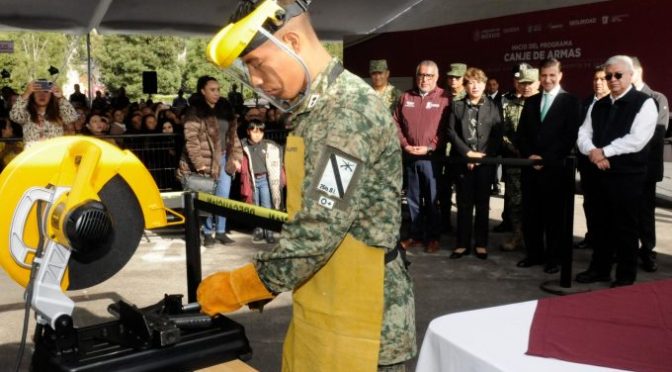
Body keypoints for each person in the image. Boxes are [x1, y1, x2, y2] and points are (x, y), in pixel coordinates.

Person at [197, 1, 416, 370]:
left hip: (365, 315)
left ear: (293, 43)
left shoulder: (348, 113)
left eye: (256, 64)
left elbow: (319, 226)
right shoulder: (316, 109)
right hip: (327, 294)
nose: (254, 81)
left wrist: (245, 284)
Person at [575, 55, 657, 287]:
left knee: (625, 227)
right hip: (597, 175)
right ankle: (599, 269)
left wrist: (605, 152)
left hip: (627, 178)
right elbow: (583, 133)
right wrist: (592, 151)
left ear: (631, 76)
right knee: (599, 225)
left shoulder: (645, 103)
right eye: (608, 75)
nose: (612, 79)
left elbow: (637, 140)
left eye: (618, 75)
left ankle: (625, 275)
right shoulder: (598, 104)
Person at [515, 58, 581, 274]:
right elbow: (521, 134)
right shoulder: (531, 101)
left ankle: (554, 258)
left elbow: (569, 136)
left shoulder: (571, 102)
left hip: (555, 170)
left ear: (560, 76)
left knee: (555, 217)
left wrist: (546, 159)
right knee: (531, 215)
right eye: (544, 75)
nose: (548, 79)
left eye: (552, 75)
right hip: (531, 169)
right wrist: (529, 156)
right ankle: (534, 254)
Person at [446, 67, 503, 260]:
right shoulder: (457, 106)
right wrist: (468, 154)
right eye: (470, 82)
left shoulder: (493, 106)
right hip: (463, 162)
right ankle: (462, 244)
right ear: (465, 85)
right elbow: (451, 133)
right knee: (463, 204)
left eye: (478, 82)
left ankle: (481, 243)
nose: (475, 86)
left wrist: (482, 156)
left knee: (483, 204)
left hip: (484, 164)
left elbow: (496, 135)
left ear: (484, 84)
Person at [178, 75, 241, 246]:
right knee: (207, 198)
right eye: (212, 90)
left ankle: (220, 231)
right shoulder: (195, 111)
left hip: (224, 160)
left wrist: (236, 157)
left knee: (222, 198)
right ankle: (207, 233)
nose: (216, 93)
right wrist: (199, 163)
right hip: (206, 162)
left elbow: (233, 136)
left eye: (218, 89)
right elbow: (191, 140)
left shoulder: (225, 108)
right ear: (202, 91)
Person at [395, 60, 450, 253]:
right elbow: (395, 123)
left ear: (436, 77)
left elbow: (446, 129)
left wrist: (430, 147)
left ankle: (433, 238)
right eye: (421, 75)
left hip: (431, 159)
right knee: (412, 199)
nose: (424, 79)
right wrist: (405, 145)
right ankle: (415, 235)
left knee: (432, 199)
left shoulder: (444, 98)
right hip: (410, 156)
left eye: (429, 75)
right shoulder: (405, 97)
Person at [631, 57, 669, 273]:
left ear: (637, 71)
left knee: (645, 213)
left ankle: (647, 252)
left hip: (645, 168)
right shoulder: (621, 98)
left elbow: (657, 134)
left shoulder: (656, 98)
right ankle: (626, 250)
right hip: (625, 169)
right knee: (626, 212)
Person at [499, 67, 540, 252]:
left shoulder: (544, 104)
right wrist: (513, 147)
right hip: (515, 161)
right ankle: (518, 236)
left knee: (537, 202)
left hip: (539, 163)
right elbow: (503, 132)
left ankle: (537, 240)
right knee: (515, 202)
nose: (526, 87)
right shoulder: (511, 105)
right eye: (523, 83)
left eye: (530, 83)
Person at [574, 65, 609, 251]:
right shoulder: (586, 103)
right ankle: (591, 236)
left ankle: (607, 244)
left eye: (603, 79)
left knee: (608, 208)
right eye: (596, 79)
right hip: (587, 165)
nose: (598, 83)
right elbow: (579, 132)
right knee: (590, 204)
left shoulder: (616, 104)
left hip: (607, 165)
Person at [239, 120, 284, 244]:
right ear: (248, 132)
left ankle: (269, 232)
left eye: (260, 132)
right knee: (255, 206)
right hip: (251, 180)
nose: (258, 135)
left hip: (264, 180)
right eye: (254, 132)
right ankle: (258, 230)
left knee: (266, 206)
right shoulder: (243, 146)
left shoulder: (268, 146)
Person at [10, 80, 78, 148]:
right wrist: (26, 94)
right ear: (32, 95)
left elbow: (72, 117)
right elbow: (14, 116)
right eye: (38, 92)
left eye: (46, 91)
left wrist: (60, 97)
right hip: (32, 157)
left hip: (54, 156)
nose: (42, 95)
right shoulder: (27, 115)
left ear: (51, 95)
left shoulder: (58, 113)